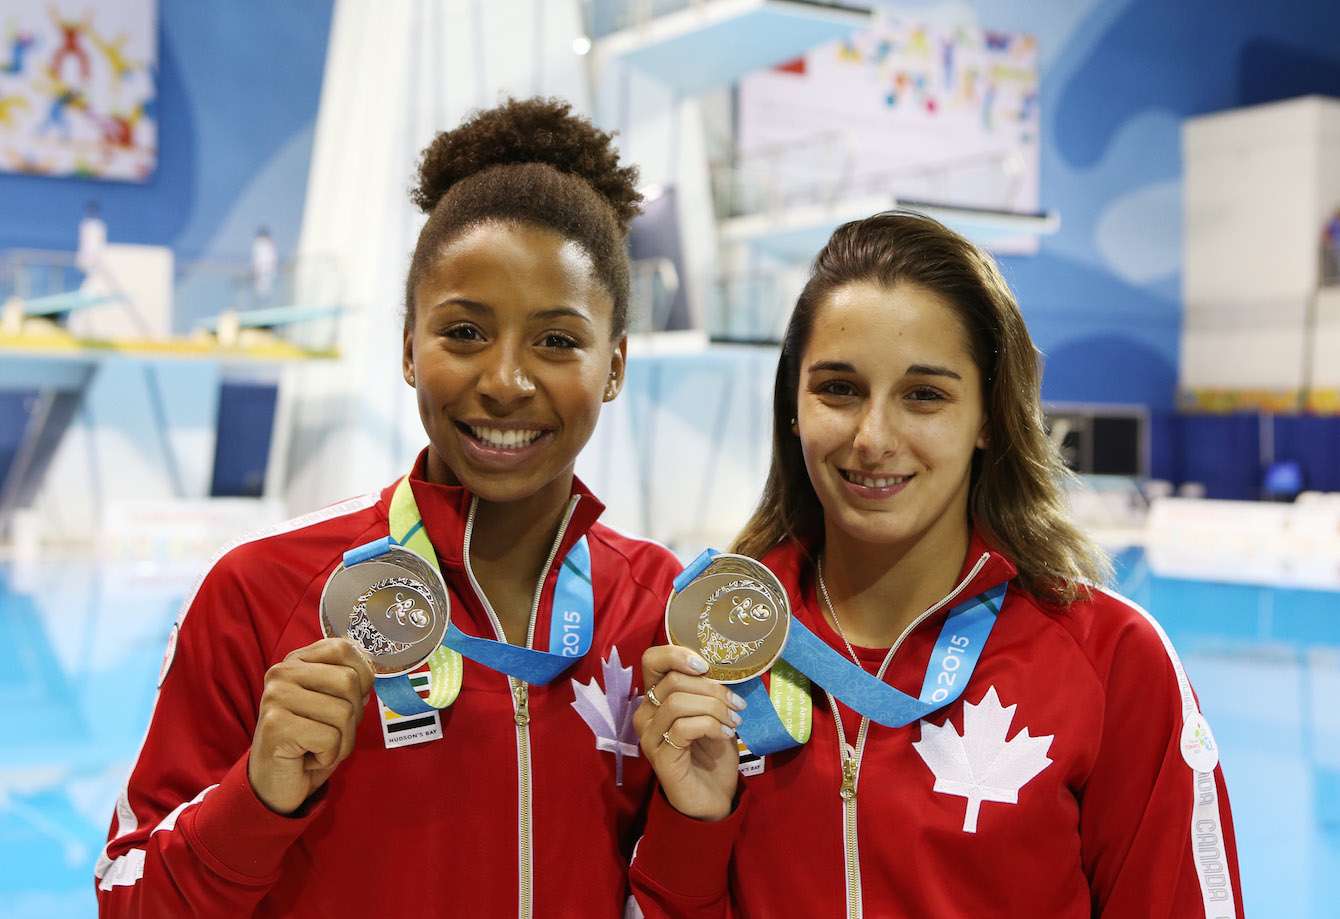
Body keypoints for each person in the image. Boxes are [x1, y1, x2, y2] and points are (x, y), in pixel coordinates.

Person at [96, 98, 683, 918]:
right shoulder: (262, 590)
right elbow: (127, 900)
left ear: (614, 365)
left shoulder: (663, 611)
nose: (506, 381)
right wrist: (258, 796)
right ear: (409, 346)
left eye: (556, 341)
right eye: (465, 332)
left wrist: (701, 816)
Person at [629, 211, 1244, 918]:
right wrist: (695, 822)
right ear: (792, 406)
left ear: (988, 416)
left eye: (924, 394)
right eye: (838, 387)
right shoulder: (719, 651)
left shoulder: (1113, 662)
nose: (873, 437)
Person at [251, 225, 278, 304]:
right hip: (262, 273)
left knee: (265, 291)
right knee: (261, 292)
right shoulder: (260, 244)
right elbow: (256, 260)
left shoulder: (265, 244)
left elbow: (271, 260)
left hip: (266, 273)